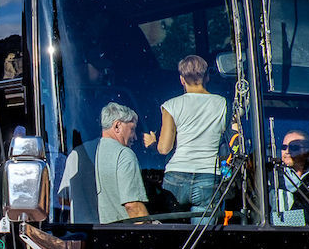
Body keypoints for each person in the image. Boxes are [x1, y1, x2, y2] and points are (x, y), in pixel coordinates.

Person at [144, 55, 228, 223]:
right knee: (202, 238)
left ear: (182, 80)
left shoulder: (171, 106)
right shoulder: (223, 104)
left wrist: (152, 143)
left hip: (176, 177)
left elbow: (164, 148)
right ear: (207, 77)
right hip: (208, 177)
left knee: (173, 235)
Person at [94, 101, 150, 223]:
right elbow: (133, 206)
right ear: (117, 126)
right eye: (132, 129)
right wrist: (151, 232)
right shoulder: (124, 154)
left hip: (86, 236)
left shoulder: (79, 154)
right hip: (120, 235)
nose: (135, 137)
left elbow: (63, 199)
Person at [271, 128, 309, 225]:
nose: (287, 151)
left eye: (294, 147)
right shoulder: (269, 181)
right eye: (283, 147)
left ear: (307, 151)